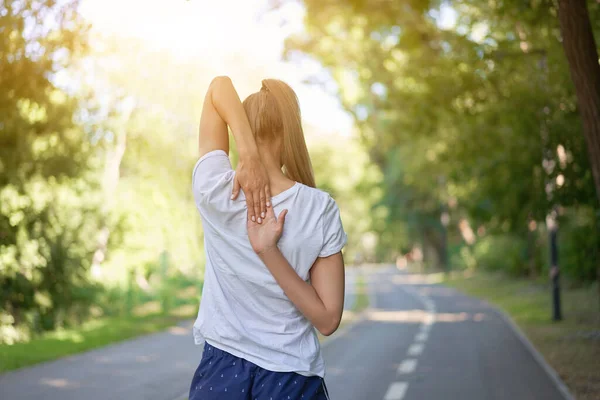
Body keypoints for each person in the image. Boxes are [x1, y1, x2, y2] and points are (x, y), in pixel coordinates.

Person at [188, 76, 347, 400]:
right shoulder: (319, 208)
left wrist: (246, 153)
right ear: (290, 133)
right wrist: (268, 251)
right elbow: (327, 320)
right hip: (291, 377)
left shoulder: (214, 189)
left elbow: (218, 87)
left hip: (220, 372)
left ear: (240, 127)